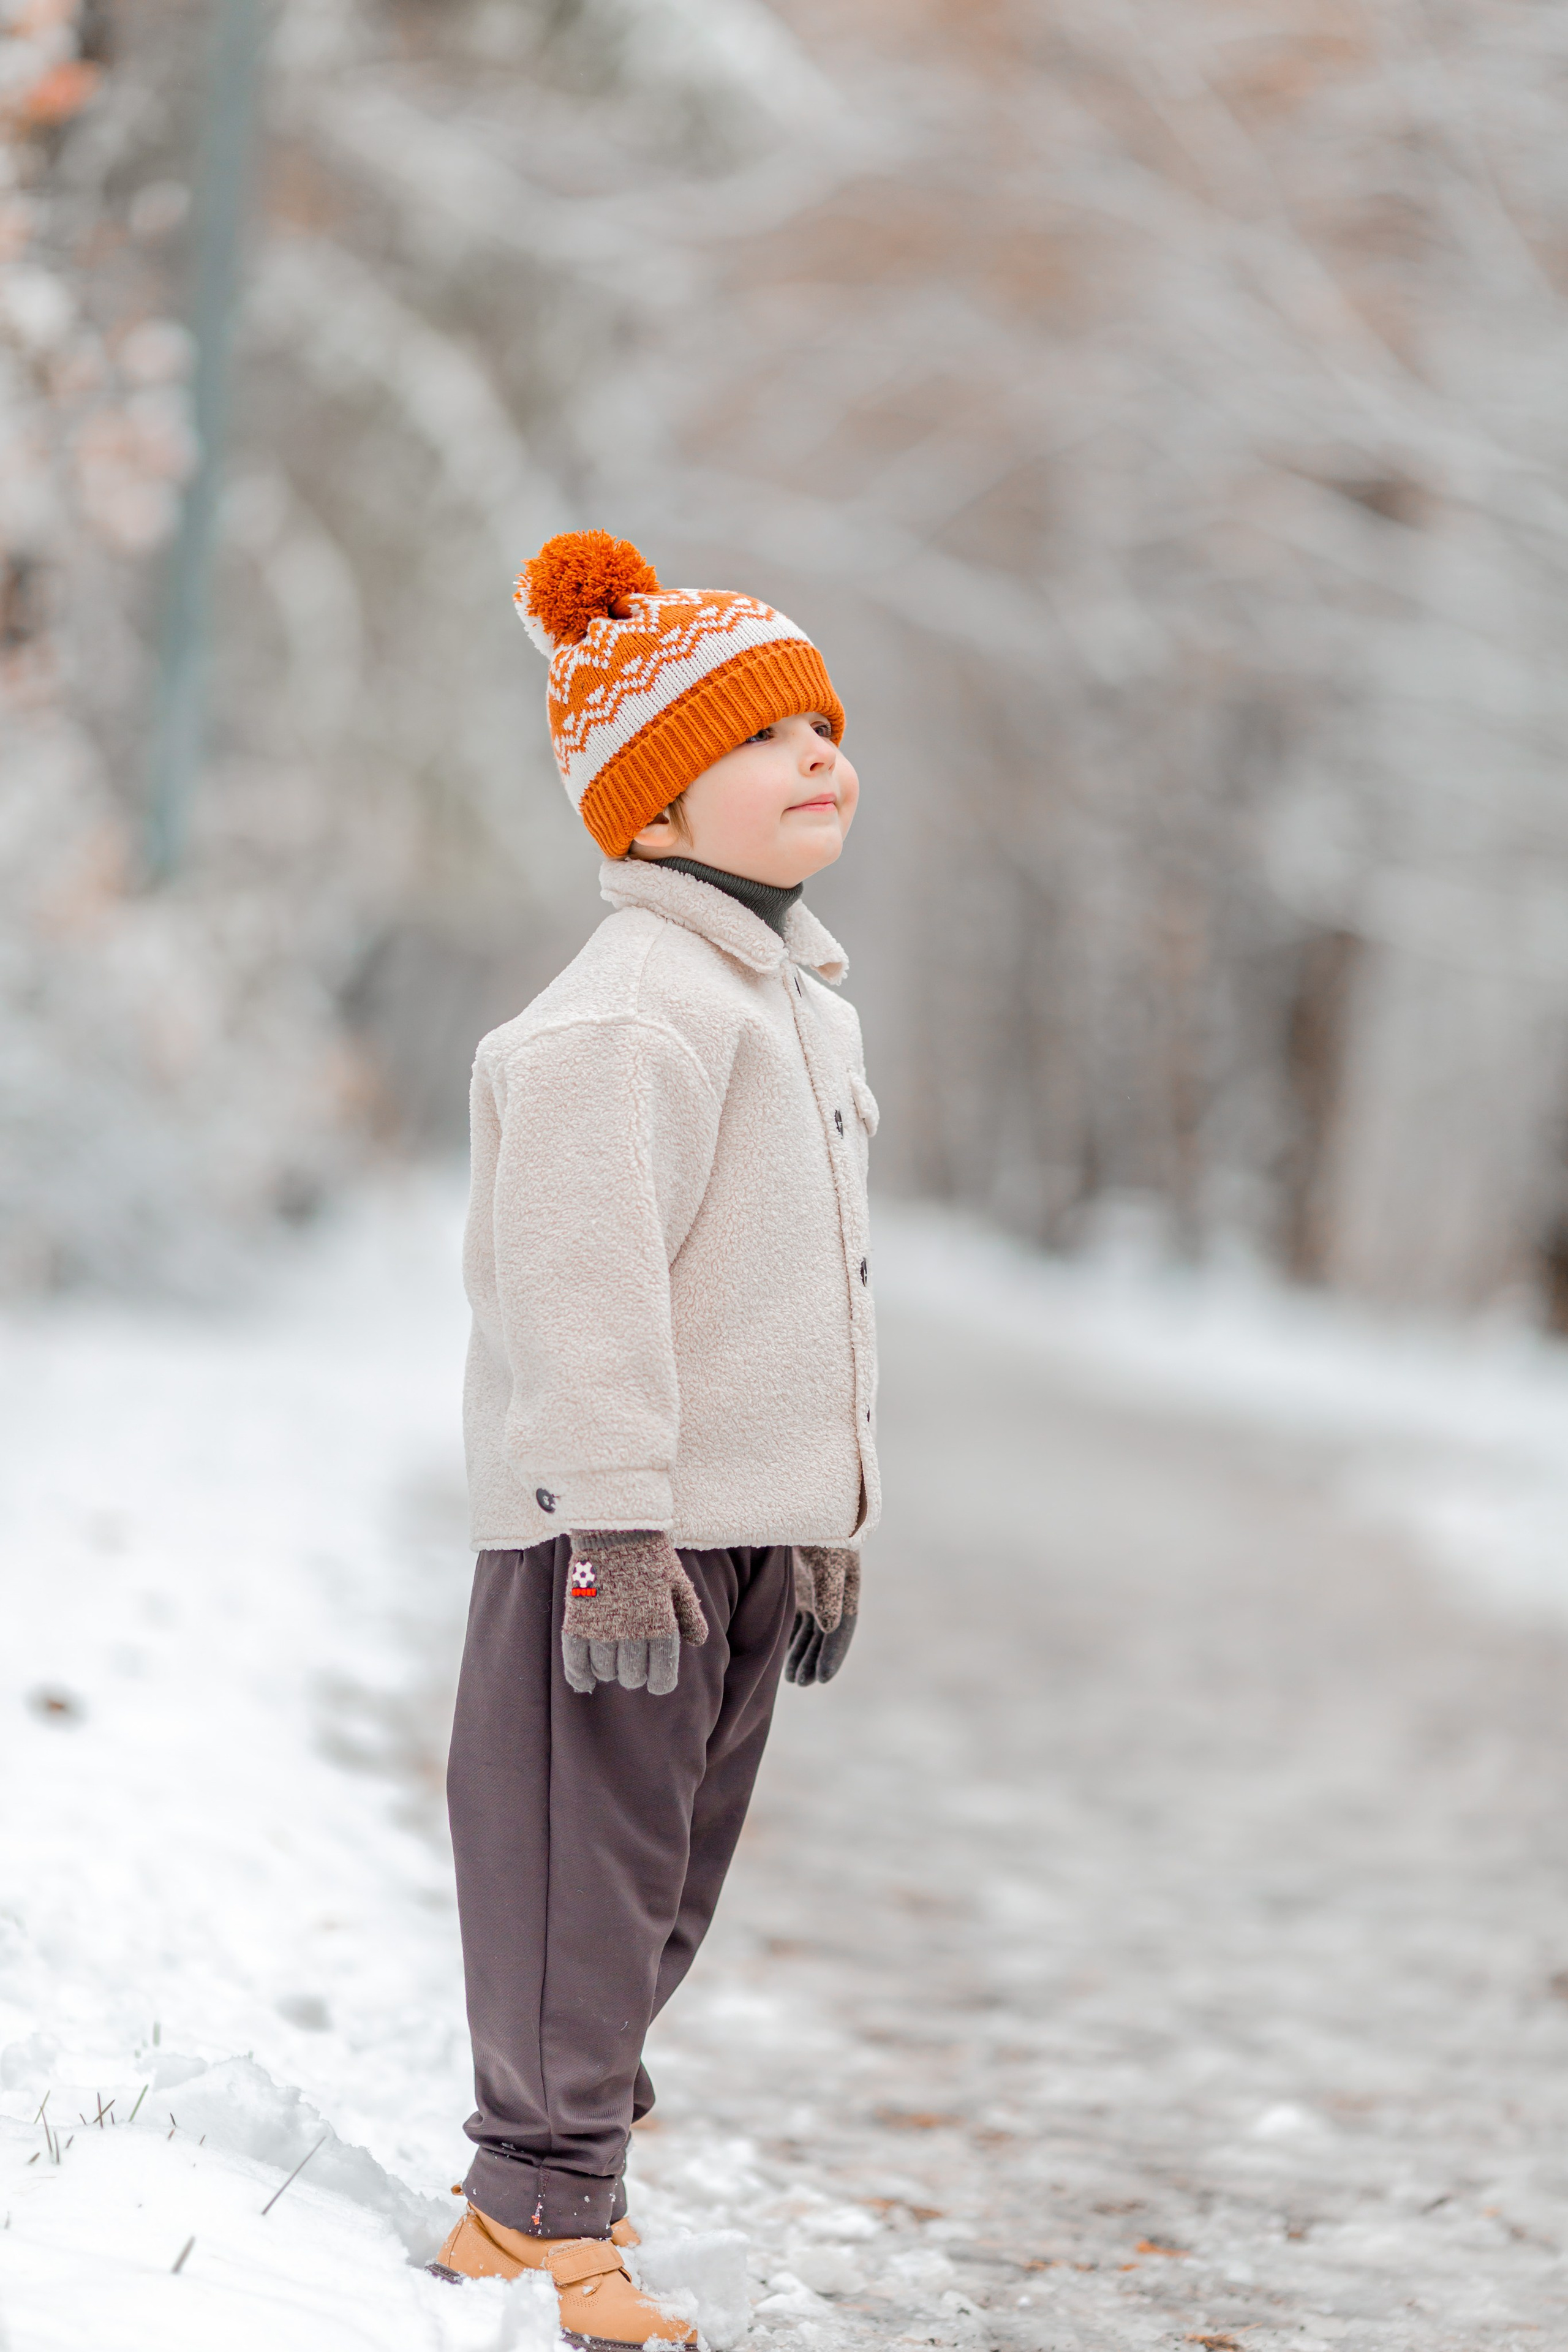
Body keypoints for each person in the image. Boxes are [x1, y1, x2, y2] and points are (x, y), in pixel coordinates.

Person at [432, 532, 880, 2341]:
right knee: (579, 1876)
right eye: (769, 735)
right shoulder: (623, 1019)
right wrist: (613, 1522)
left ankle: (576, 2140)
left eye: (830, 723)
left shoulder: (794, 1009)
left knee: (666, 1885)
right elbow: (584, 1292)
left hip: (743, 1529)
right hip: (617, 1535)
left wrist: (827, 1514)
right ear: (656, 799)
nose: (823, 755)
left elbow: (806, 1291)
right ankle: (531, 2212)